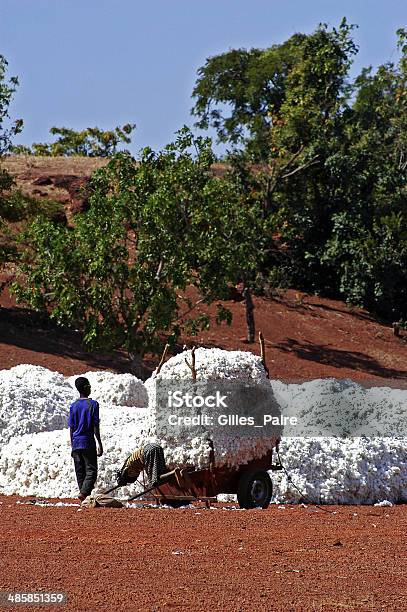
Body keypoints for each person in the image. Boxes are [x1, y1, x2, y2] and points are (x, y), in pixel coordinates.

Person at [68, 376, 103, 501]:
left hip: (76, 442)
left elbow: (71, 428)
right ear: (86, 388)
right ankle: (83, 493)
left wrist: (72, 446)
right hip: (87, 442)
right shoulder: (93, 404)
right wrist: (99, 443)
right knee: (91, 470)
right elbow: (95, 426)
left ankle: (83, 496)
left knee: (80, 471)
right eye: (89, 386)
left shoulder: (73, 406)